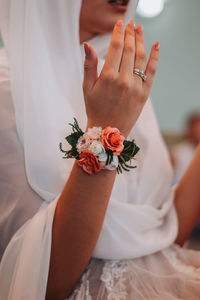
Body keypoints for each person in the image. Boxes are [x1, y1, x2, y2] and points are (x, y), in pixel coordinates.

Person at [0, 0, 200, 299]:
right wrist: (107, 130)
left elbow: (166, 244)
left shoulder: (121, 88)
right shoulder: (8, 90)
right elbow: (46, 283)